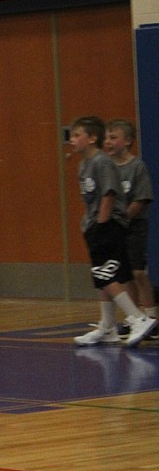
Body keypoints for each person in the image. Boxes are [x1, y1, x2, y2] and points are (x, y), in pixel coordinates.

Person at [70, 116, 157, 347]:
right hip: (94, 225)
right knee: (101, 276)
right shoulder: (83, 165)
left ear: (92, 138)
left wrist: (101, 225)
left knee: (107, 275)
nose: (72, 140)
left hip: (108, 225)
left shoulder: (102, 162)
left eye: (77, 135)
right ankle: (107, 326)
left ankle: (138, 318)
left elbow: (108, 195)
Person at [104, 118, 156, 339]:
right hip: (115, 228)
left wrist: (124, 216)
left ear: (126, 142)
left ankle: (152, 316)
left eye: (113, 138)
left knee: (138, 273)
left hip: (133, 226)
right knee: (124, 275)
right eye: (106, 137)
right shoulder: (106, 167)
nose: (108, 142)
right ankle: (135, 318)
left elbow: (142, 198)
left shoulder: (137, 167)